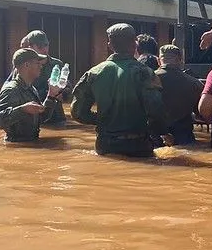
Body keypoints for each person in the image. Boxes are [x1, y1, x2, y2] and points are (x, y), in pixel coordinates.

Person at [71, 24, 166, 157]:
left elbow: (78, 112)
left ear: (110, 45)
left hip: (105, 144)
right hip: (138, 144)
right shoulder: (145, 72)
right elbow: (156, 110)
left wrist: (103, 119)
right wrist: (158, 132)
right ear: (134, 44)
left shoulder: (93, 73)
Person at [0, 49, 63, 142]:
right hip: (16, 144)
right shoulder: (12, 90)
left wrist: (51, 96)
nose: (41, 66)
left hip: (31, 143)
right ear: (26, 65)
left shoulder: (31, 89)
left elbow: (41, 118)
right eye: (37, 63)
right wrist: (22, 110)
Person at [7, 30, 67, 126]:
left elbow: (68, 89)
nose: (44, 49)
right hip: (33, 118)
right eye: (40, 46)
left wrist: (62, 94)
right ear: (30, 47)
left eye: (46, 45)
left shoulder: (57, 65)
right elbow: (13, 91)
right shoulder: (24, 66)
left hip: (56, 118)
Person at [153, 44, 204, 146]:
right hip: (184, 136)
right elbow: (201, 112)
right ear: (180, 60)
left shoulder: (148, 80)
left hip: (156, 135)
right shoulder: (195, 83)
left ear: (158, 60)